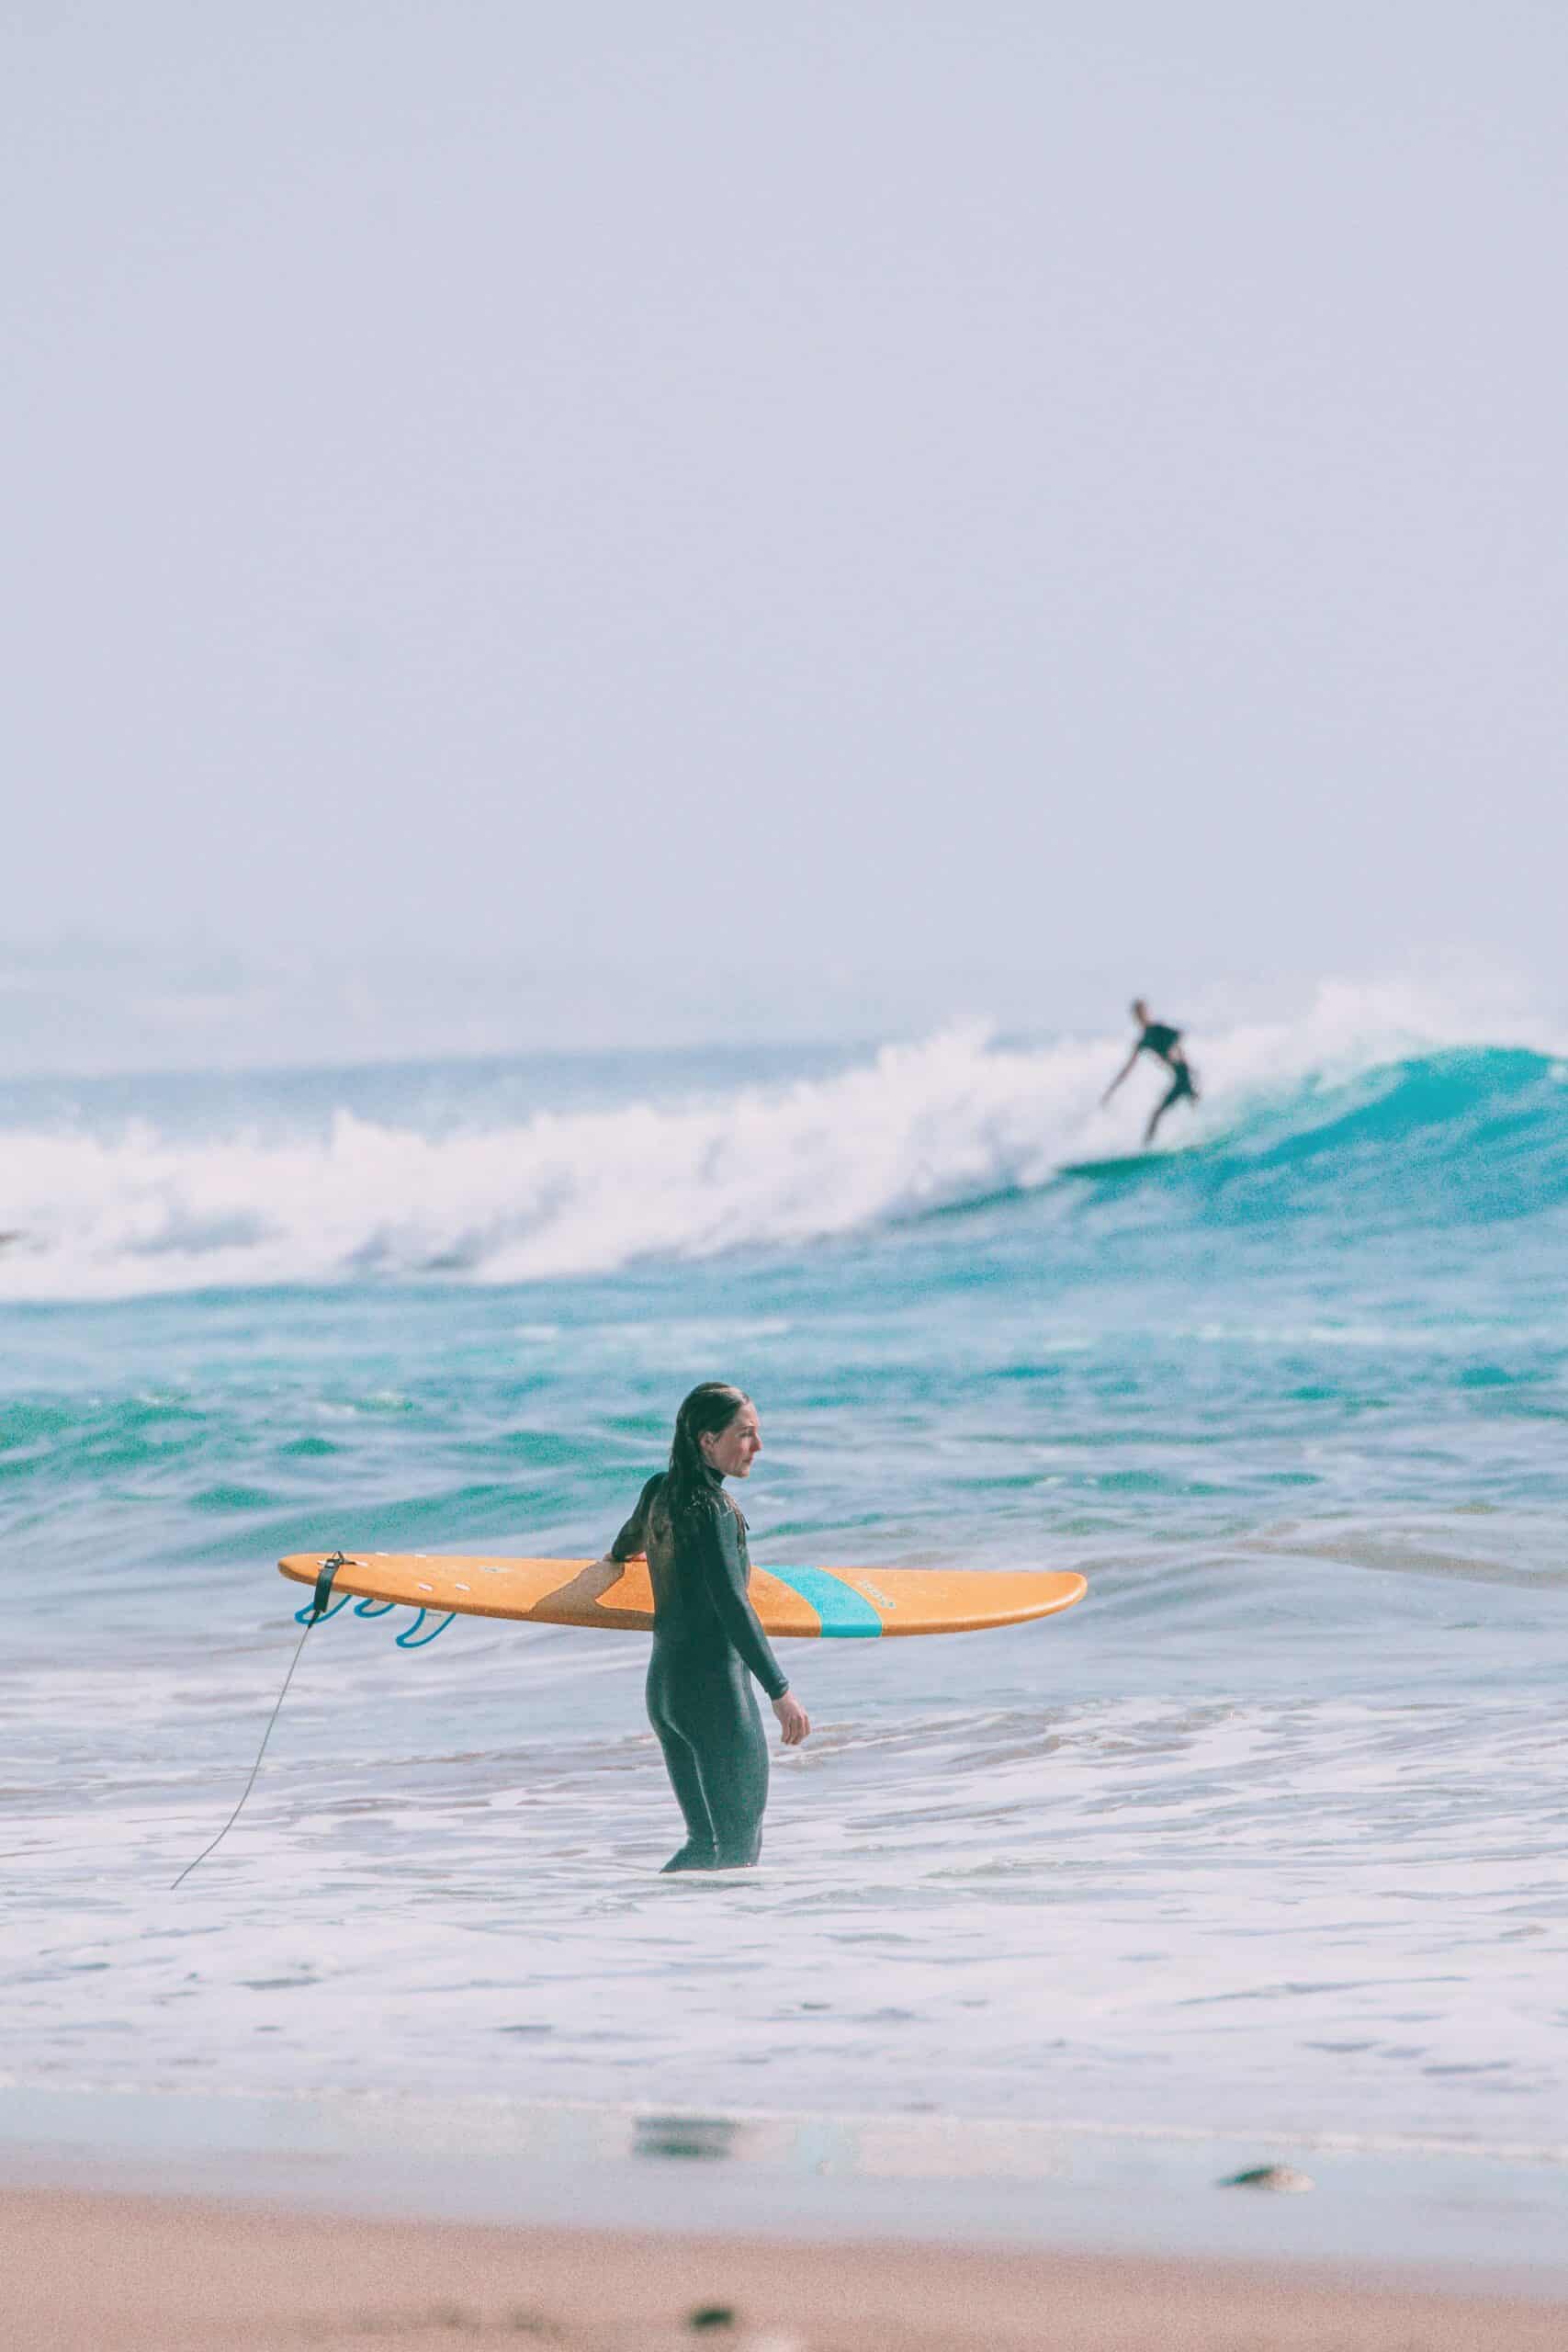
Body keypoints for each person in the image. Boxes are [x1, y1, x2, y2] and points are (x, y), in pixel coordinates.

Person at [599, 1382, 810, 1871]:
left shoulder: (659, 1491)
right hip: (715, 1696)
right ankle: (729, 1946)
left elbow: (622, 1547)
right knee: (738, 1849)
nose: (757, 1446)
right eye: (745, 1434)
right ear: (707, 1440)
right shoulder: (715, 1510)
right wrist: (781, 1693)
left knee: (702, 1845)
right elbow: (733, 1605)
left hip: (666, 1693)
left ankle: (653, 1931)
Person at [1101, 999, 1201, 1147]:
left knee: (1165, 1112)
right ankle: (1147, 1148)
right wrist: (1111, 1090)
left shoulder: (1158, 1028)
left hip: (1186, 1075)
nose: (1141, 1017)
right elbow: (1128, 1068)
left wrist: (1174, 1049)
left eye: (1142, 1012)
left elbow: (1180, 1034)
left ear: (1147, 1012)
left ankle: (1198, 1137)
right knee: (1168, 1111)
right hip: (1179, 1078)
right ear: (1135, 1018)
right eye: (1137, 1015)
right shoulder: (1143, 1041)